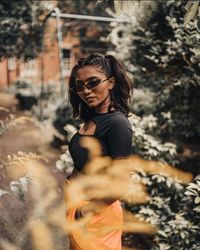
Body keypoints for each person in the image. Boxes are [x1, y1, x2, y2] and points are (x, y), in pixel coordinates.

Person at [66, 53, 133, 250]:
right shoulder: (93, 116)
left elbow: (120, 184)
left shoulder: (117, 124)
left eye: (93, 82)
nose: (86, 91)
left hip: (97, 213)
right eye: (80, 86)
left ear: (111, 83)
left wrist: (86, 210)